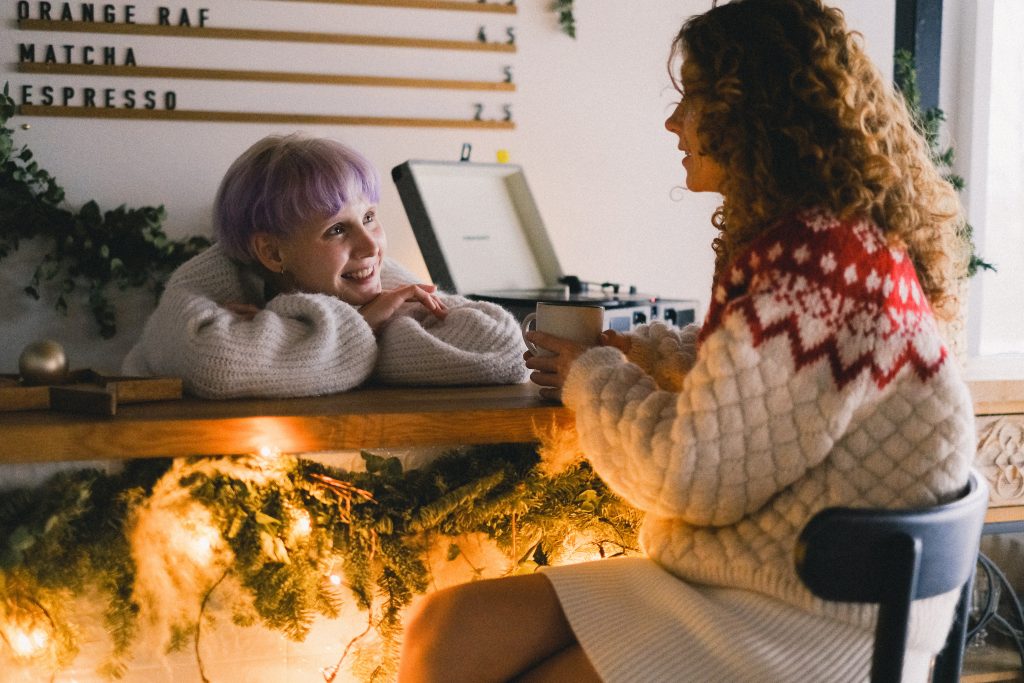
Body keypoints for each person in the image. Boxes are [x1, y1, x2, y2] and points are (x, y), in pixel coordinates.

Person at [396, 0, 976, 680]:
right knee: (448, 627)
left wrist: (593, 376)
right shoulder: (834, 249)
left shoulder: (815, 261)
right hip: (763, 579)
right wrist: (658, 357)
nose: (675, 123)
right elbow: (772, 402)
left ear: (748, 113)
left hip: (810, 620)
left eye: (693, 101)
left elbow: (689, 475)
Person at [122, 134, 528, 398]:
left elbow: (503, 349)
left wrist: (283, 338)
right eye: (337, 230)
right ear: (274, 254)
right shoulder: (204, 287)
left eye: (369, 217)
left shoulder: (373, 279)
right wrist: (364, 324)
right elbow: (217, 364)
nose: (370, 245)